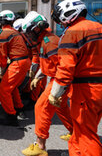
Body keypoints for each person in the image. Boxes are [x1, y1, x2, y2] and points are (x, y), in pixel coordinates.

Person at [50, 0, 102, 156]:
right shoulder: (99, 27)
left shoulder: (72, 33)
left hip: (86, 89)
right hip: (97, 87)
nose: (61, 23)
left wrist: (55, 93)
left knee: (86, 134)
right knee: (81, 131)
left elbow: (66, 67)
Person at [21, 11, 73, 156]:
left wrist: (58, 89)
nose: (29, 36)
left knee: (41, 107)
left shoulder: (49, 42)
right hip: (59, 79)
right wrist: (38, 76)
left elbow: (61, 67)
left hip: (59, 80)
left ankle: (40, 146)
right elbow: (48, 63)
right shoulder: (45, 40)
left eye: (29, 33)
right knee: (61, 108)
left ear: (37, 28)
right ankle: (74, 131)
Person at [0, 10, 31, 126]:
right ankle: (19, 108)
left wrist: (1, 71)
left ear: (1, 21)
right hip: (25, 61)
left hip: (18, 63)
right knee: (13, 86)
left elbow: (2, 56)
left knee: (3, 89)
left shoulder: (3, 33)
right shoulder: (15, 32)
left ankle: (11, 116)